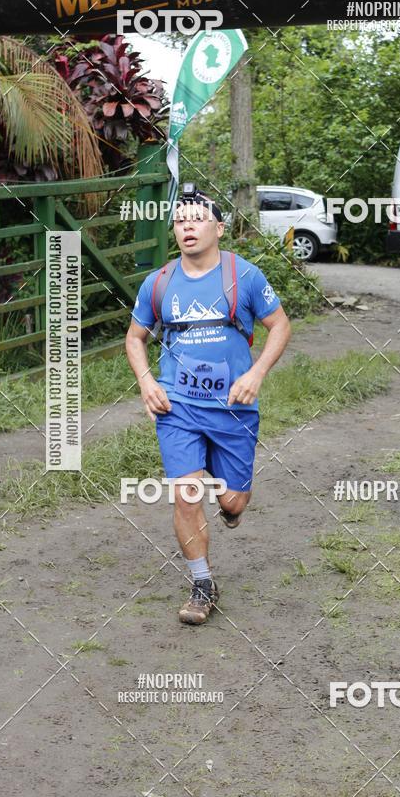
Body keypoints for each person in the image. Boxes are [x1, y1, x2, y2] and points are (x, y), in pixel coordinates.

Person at [125, 191, 291, 625]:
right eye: (180, 221)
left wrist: (255, 374)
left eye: (197, 219)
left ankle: (228, 497)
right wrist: (146, 382)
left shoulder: (245, 276)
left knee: (233, 503)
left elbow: (280, 326)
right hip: (178, 405)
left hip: (233, 407)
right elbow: (135, 338)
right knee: (186, 494)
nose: (188, 226)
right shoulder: (159, 282)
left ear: (218, 228)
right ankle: (202, 584)